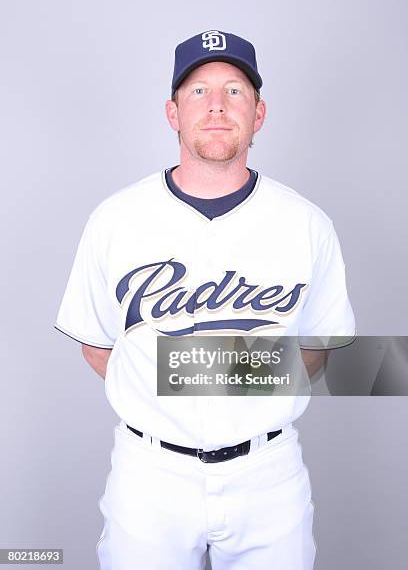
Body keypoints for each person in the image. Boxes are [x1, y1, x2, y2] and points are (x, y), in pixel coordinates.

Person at [55, 29, 355, 569]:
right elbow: (97, 347)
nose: (216, 106)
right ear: (173, 113)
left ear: (258, 113)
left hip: (268, 472)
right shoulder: (115, 219)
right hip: (150, 473)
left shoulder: (307, 223)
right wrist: (179, 393)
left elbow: (320, 353)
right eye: (198, 91)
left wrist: (201, 375)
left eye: (235, 91)